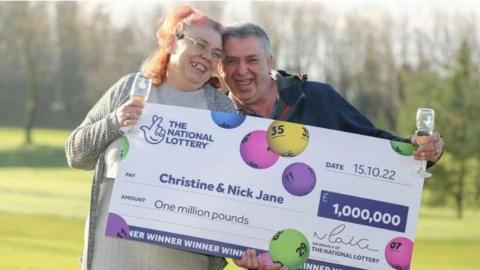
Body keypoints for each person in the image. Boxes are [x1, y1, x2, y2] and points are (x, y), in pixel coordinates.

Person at [218, 22, 444, 270]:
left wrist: (422, 149)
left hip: (333, 252)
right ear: (220, 65)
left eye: (251, 60)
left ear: (269, 62)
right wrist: (237, 250)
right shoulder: (217, 121)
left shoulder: (318, 97)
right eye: (230, 61)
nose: (241, 71)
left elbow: (375, 142)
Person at [65, 5, 234, 270]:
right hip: (112, 260)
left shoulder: (221, 110)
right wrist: (114, 122)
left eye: (216, 53)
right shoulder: (129, 89)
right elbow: (75, 154)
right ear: (170, 42)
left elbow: (231, 189)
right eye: (200, 45)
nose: (207, 57)